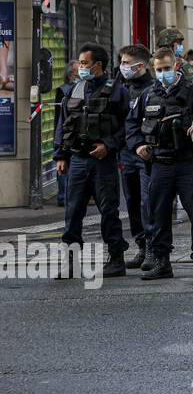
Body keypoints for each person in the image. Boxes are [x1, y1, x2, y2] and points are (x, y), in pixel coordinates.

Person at [126, 47, 193, 280]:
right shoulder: (147, 95)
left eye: (167, 68)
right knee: (158, 215)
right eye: (159, 69)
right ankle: (162, 261)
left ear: (175, 66)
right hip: (159, 163)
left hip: (187, 162)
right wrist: (138, 146)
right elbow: (131, 126)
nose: (164, 73)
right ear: (153, 70)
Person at [54, 44, 131, 278]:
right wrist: (60, 156)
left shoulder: (117, 91)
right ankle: (70, 263)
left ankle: (116, 259)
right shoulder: (74, 90)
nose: (80, 67)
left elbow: (128, 126)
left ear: (98, 65)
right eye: (79, 63)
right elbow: (63, 123)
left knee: (108, 212)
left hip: (103, 162)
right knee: (73, 212)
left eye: (85, 63)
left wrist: (108, 145)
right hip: (77, 160)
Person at [115, 45, 155, 269]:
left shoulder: (152, 89)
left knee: (147, 202)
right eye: (121, 62)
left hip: (146, 153)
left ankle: (152, 247)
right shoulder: (121, 88)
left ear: (140, 65)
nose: (123, 67)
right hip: (126, 153)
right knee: (131, 201)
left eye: (126, 63)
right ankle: (141, 245)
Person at [53, 63, 77, 207]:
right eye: (77, 70)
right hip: (65, 133)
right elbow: (60, 117)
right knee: (63, 165)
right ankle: (63, 196)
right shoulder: (63, 90)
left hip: (74, 134)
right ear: (70, 74)